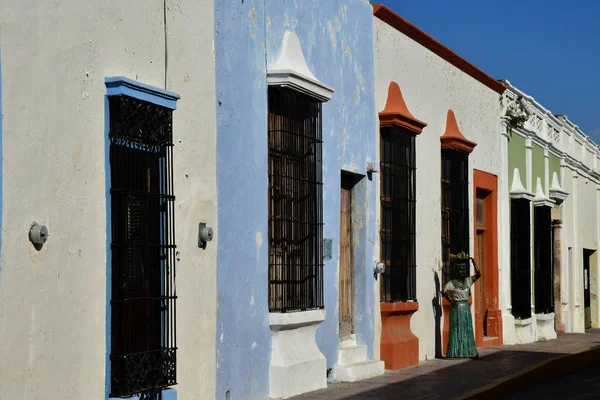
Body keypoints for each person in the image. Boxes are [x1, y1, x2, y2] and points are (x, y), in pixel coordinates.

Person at [442, 254, 481, 359]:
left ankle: (468, 351)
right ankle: (455, 352)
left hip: (465, 309)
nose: (462, 272)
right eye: (460, 270)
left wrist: (473, 262)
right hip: (456, 308)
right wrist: (451, 301)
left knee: (467, 330)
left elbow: (478, 274)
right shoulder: (451, 284)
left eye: (463, 270)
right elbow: (444, 292)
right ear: (456, 271)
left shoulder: (468, 281)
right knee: (456, 331)